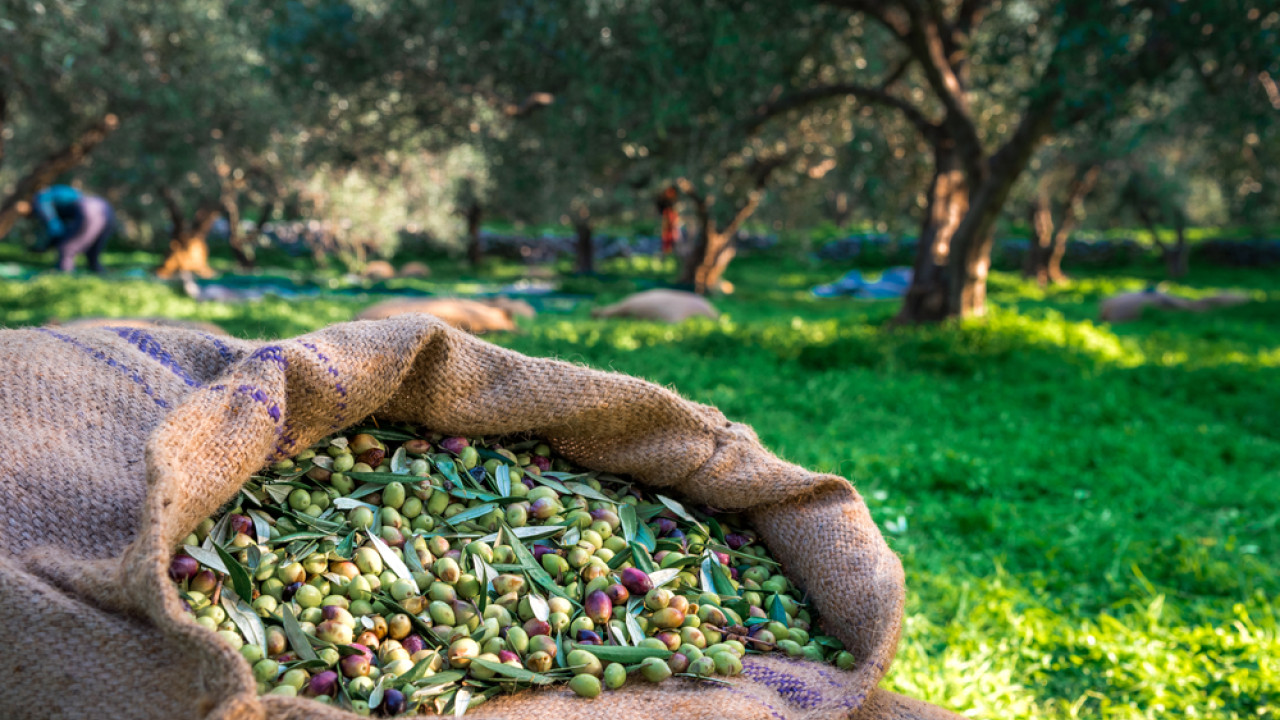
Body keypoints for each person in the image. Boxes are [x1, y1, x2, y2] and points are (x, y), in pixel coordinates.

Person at [20, 184, 116, 272]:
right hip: (105, 208)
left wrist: (44, 247)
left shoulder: (40, 200)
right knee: (92, 254)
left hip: (88, 209)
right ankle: (104, 277)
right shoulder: (51, 193)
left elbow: (55, 228)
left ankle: (64, 279)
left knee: (66, 249)